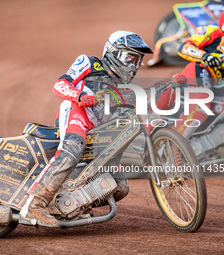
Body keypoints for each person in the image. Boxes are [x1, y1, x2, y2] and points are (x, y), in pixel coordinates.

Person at [22, 31, 153, 227]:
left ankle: (73, 203)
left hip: (99, 130)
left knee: (120, 186)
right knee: (73, 148)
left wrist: (170, 86)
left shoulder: (124, 87)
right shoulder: (90, 63)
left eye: (137, 61)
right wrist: (80, 95)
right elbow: (59, 85)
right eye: (130, 58)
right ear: (113, 53)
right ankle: (34, 205)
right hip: (77, 113)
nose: (134, 66)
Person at [171, 1, 224, 138]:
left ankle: (202, 150)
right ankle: (172, 144)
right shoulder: (213, 32)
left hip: (212, 83)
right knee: (201, 107)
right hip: (198, 71)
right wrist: (205, 57)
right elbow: (184, 47)